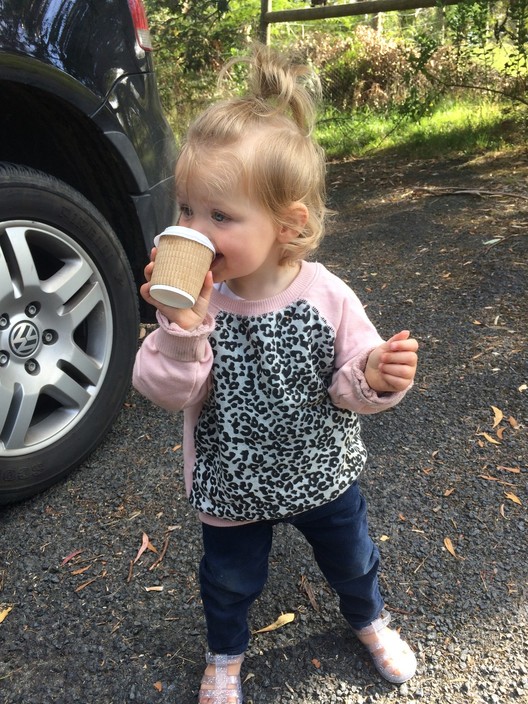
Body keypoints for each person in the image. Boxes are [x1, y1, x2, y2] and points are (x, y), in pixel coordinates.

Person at [133, 43, 419, 704]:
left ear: (287, 226)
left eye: (219, 216)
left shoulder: (326, 295)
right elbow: (166, 390)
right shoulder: (198, 306)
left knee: (351, 557)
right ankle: (225, 655)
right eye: (185, 210)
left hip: (322, 472)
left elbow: (349, 386)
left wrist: (376, 374)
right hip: (233, 481)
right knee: (229, 580)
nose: (193, 231)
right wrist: (181, 329)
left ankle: (370, 619)